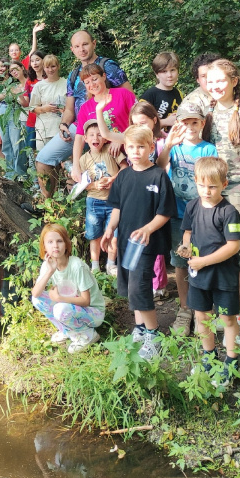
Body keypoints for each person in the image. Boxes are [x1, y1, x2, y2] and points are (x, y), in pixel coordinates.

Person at [102, 126, 177, 360]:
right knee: (127, 286)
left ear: (151, 147)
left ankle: (154, 334)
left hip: (146, 243)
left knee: (140, 286)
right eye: (131, 146)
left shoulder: (158, 176)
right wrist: (110, 228)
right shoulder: (123, 175)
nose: (135, 151)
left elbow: (165, 212)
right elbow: (117, 207)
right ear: (125, 147)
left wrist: (147, 228)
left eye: (141, 146)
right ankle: (140, 328)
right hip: (125, 240)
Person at [35, 30, 131, 198]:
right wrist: (64, 123)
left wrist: (120, 135)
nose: (82, 49)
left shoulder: (107, 66)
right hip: (82, 126)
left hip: (112, 127)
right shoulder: (74, 75)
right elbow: (70, 109)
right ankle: (49, 205)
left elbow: (130, 103)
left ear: (94, 43)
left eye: (85, 44)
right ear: (72, 50)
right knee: (44, 158)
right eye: (77, 46)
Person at [177, 156, 240, 388]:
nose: (207, 191)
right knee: (201, 316)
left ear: (224, 185)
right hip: (198, 276)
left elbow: (233, 246)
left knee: (227, 318)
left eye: (213, 186)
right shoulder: (192, 206)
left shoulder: (229, 212)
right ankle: (209, 356)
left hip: (223, 277)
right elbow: (187, 232)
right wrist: (186, 246)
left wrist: (204, 261)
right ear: (195, 181)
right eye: (202, 185)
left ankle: (232, 359)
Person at [204, 58, 240, 331]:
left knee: (238, 255)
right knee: (215, 249)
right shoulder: (207, 109)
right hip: (214, 190)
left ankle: (237, 315)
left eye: (221, 81)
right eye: (210, 81)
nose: (215, 86)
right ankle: (220, 313)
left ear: (234, 82)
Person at [155, 109, 219, 334]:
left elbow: (214, 177)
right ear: (177, 124)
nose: (190, 128)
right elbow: (160, 166)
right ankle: (184, 309)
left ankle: (204, 308)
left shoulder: (209, 148)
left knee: (203, 259)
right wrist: (169, 144)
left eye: (194, 123)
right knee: (180, 261)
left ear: (202, 124)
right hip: (177, 213)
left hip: (203, 214)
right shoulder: (175, 147)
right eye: (185, 123)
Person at [31, 223, 106, 354]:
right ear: (44, 246)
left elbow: (86, 301)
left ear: (66, 244)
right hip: (71, 307)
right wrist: (50, 271)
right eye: (50, 242)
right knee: (37, 300)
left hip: (94, 313)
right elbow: (36, 293)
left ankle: (88, 335)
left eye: (59, 241)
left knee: (60, 308)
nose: (55, 246)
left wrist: (59, 298)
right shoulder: (48, 265)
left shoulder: (77, 266)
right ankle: (67, 330)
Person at [69, 64, 135, 185]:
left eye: (94, 79)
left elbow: (139, 120)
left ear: (104, 77)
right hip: (106, 160)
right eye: (87, 82)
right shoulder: (85, 108)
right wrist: (76, 166)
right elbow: (79, 137)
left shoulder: (123, 94)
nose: (92, 84)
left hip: (132, 151)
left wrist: (120, 138)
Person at [77, 120, 125, 272]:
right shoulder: (83, 159)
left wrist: (113, 179)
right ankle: (95, 267)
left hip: (113, 201)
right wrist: (95, 185)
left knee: (114, 234)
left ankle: (111, 264)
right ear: (85, 139)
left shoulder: (111, 149)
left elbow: (125, 167)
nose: (95, 138)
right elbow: (84, 184)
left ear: (105, 138)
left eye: (99, 135)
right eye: (91, 135)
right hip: (94, 201)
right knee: (94, 235)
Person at [29, 54, 67, 151]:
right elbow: (32, 108)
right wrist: (43, 108)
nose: (50, 70)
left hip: (62, 128)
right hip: (44, 129)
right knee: (43, 160)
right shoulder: (39, 86)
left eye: (53, 66)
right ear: (44, 68)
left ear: (58, 66)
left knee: (64, 161)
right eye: (47, 67)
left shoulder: (66, 83)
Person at [141, 52, 183, 129]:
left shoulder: (178, 93)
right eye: (164, 71)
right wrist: (165, 122)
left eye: (172, 70)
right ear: (157, 74)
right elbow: (139, 126)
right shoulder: (149, 95)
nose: (169, 75)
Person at [179, 52, 222, 117]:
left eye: (211, 74)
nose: (208, 79)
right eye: (203, 76)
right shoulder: (191, 102)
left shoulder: (225, 93)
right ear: (198, 80)